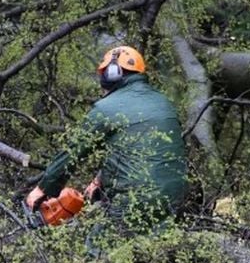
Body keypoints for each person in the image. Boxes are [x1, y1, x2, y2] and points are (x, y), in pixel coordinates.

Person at [28, 45, 188, 229]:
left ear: (112, 73)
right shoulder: (164, 103)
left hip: (136, 200)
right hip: (175, 197)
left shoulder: (106, 108)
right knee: (153, 245)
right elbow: (143, 151)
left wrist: (43, 189)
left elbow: (72, 153)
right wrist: (101, 179)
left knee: (97, 250)